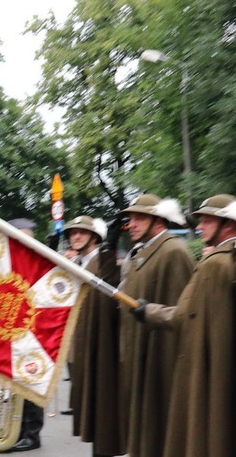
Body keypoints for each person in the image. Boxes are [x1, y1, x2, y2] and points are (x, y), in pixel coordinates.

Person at [129, 194, 236, 457]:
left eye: (208, 221)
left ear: (229, 225)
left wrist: (147, 311)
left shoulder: (216, 264)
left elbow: (185, 316)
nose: (200, 227)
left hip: (206, 370)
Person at [117, 194, 194, 457]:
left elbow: (181, 314)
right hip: (140, 351)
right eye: (130, 219)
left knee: (160, 429)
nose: (132, 224)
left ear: (158, 221)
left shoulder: (173, 251)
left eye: (140, 218)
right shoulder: (143, 251)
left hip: (161, 359)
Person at [64, 216, 126, 457]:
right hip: (82, 340)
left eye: (81, 232)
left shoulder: (103, 260)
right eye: (72, 233)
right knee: (89, 406)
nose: (75, 236)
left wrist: (110, 249)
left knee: (103, 408)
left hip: (102, 341)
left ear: (94, 237)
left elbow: (110, 288)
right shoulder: (76, 262)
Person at [8, 217, 44, 452]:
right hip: (15, 331)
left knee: (31, 383)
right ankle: (17, 430)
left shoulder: (39, 263)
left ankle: (32, 434)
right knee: (16, 385)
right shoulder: (13, 263)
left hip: (34, 331)